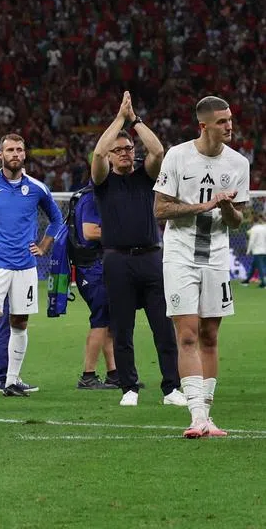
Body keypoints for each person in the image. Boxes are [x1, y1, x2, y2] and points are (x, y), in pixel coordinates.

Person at [153, 96, 249, 437]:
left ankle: (207, 416)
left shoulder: (238, 163)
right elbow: (160, 210)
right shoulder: (177, 156)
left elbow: (238, 220)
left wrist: (225, 210)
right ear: (204, 125)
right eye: (222, 121)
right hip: (180, 256)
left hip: (217, 258)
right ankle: (195, 417)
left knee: (210, 335)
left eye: (230, 119)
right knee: (189, 334)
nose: (229, 126)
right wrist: (202, 206)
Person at [91, 92, 182, 408]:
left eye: (130, 148)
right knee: (122, 329)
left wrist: (135, 120)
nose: (127, 153)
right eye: (120, 150)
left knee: (163, 328)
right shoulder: (102, 181)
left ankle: (172, 388)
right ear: (112, 157)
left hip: (151, 257)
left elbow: (158, 150)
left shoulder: (146, 177)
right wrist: (118, 119)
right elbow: (98, 153)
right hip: (117, 261)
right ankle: (129, 387)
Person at [0, 134, 64, 399]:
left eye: (19, 149)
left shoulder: (37, 188)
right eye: (9, 149)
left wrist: (44, 246)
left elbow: (57, 220)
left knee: (20, 321)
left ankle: (11, 381)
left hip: (25, 266)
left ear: (25, 155)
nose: (15, 153)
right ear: (0, 155)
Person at [68, 185, 119, 390]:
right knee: (100, 320)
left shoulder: (89, 195)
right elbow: (90, 231)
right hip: (91, 267)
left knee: (107, 320)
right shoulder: (92, 198)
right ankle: (88, 375)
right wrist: (123, 230)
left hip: (93, 266)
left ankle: (114, 373)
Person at [247, 214, 266, 286]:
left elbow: (251, 240)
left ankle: (263, 283)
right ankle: (247, 280)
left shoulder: (254, 229)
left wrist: (248, 250)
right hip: (263, 250)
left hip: (258, 251)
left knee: (260, 267)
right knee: (256, 266)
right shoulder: (263, 228)